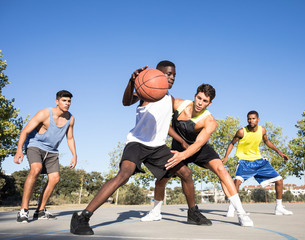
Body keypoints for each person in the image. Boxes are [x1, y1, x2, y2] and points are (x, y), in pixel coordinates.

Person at [70, 60, 197, 235]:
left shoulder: (169, 98)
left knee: (186, 173)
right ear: (157, 74)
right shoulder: (146, 91)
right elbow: (126, 101)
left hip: (158, 147)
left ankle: (193, 213)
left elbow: (164, 125)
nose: (172, 77)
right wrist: (132, 82)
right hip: (137, 143)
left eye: (174, 74)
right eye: (168, 73)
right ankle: (82, 217)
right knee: (123, 175)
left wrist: (181, 141)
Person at [141, 84, 253, 227]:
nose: (200, 103)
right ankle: (156, 212)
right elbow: (158, 105)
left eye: (205, 101)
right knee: (161, 179)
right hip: (178, 148)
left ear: (210, 103)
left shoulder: (209, 121)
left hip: (199, 149)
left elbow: (198, 144)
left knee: (221, 170)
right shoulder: (178, 104)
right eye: (199, 98)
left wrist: (183, 156)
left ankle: (241, 214)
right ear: (195, 96)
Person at [14, 90, 77, 223]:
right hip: (35, 145)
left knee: (55, 179)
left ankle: (40, 210)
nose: (67, 103)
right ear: (57, 101)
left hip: (52, 151)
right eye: (64, 100)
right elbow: (25, 131)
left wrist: (74, 155)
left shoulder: (70, 118)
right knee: (36, 169)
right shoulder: (44, 113)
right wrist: (19, 150)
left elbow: (70, 138)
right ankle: (23, 210)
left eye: (69, 101)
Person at [222, 110, 293, 216]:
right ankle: (232, 207)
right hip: (244, 162)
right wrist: (226, 157)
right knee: (237, 182)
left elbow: (267, 141)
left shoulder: (262, 130)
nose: (251, 120)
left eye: (253, 118)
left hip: (259, 161)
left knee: (279, 180)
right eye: (249, 119)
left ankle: (279, 207)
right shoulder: (242, 131)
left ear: (258, 119)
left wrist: (280, 153)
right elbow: (232, 143)